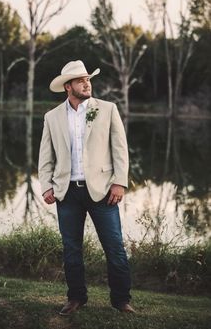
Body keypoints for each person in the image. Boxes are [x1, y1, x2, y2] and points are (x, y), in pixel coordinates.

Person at [38, 60, 134, 315]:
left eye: (88, 79)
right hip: (66, 193)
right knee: (71, 249)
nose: (87, 83)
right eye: (81, 80)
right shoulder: (52, 117)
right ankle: (76, 298)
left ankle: (121, 301)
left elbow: (120, 150)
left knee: (114, 247)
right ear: (68, 86)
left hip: (103, 191)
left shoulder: (108, 109)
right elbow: (45, 157)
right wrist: (47, 186)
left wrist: (119, 182)